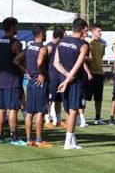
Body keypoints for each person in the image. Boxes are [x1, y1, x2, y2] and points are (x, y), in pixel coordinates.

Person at [55, 18, 91, 150]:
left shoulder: (62, 42)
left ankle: (72, 140)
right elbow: (77, 66)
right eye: (86, 30)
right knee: (73, 110)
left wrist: (65, 77)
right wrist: (68, 79)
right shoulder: (83, 45)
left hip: (64, 80)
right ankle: (68, 143)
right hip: (75, 82)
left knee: (69, 111)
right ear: (82, 29)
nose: (87, 33)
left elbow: (56, 63)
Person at [15, 24, 53, 147]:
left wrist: (26, 71)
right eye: (45, 32)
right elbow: (39, 62)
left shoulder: (29, 47)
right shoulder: (43, 48)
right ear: (41, 34)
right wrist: (41, 73)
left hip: (31, 82)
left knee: (30, 111)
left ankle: (28, 139)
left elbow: (16, 60)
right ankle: (39, 140)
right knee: (40, 111)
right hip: (40, 82)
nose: (46, 35)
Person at [0, 17, 25, 145]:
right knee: (13, 109)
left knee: (1, 109)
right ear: (12, 27)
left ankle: (0, 136)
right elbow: (19, 61)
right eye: (16, 26)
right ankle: (14, 137)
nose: (17, 28)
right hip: (12, 80)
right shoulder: (15, 43)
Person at [86, 23, 108, 125]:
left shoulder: (102, 44)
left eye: (101, 31)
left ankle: (98, 118)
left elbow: (101, 57)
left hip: (99, 73)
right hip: (89, 73)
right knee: (85, 97)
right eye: (99, 31)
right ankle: (81, 118)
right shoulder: (87, 43)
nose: (101, 33)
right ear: (92, 32)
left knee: (98, 98)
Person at [46, 25, 66, 128]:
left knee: (58, 99)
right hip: (52, 76)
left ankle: (58, 120)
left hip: (59, 77)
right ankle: (46, 119)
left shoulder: (59, 47)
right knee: (49, 99)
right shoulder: (49, 47)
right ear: (58, 37)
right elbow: (41, 61)